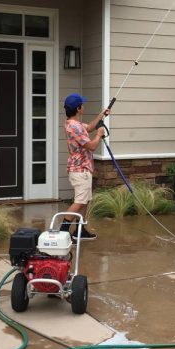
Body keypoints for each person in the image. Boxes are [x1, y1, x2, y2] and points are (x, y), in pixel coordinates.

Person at [60, 93, 109, 240]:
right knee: (80, 201)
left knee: (85, 200)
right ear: (78, 108)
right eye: (82, 104)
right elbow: (92, 146)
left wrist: (101, 115)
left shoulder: (74, 124)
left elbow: (89, 127)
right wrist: (99, 135)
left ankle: (80, 231)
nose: (84, 106)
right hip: (80, 170)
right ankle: (62, 233)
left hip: (83, 169)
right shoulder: (74, 127)